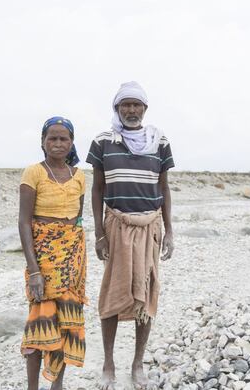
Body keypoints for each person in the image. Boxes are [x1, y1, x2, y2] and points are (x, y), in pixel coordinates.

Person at [86, 81, 175, 389]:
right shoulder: (103, 141)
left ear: (145, 109)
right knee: (112, 292)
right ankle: (108, 363)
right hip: (116, 226)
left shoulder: (158, 141)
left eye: (137, 105)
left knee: (146, 293)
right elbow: (97, 189)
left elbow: (163, 189)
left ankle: (137, 363)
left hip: (151, 227)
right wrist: (99, 232)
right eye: (126, 105)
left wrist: (170, 232)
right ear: (117, 108)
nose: (131, 110)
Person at [19, 116, 87, 390]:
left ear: (71, 143)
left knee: (66, 325)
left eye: (64, 138)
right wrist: (34, 270)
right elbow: (24, 221)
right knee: (39, 327)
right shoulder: (33, 172)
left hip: (72, 260)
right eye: (52, 138)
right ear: (43, 142)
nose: (58, 143)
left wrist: (74, 256)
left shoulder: (79, 176)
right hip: (43, 262)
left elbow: (78, 220)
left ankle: (57, 385)